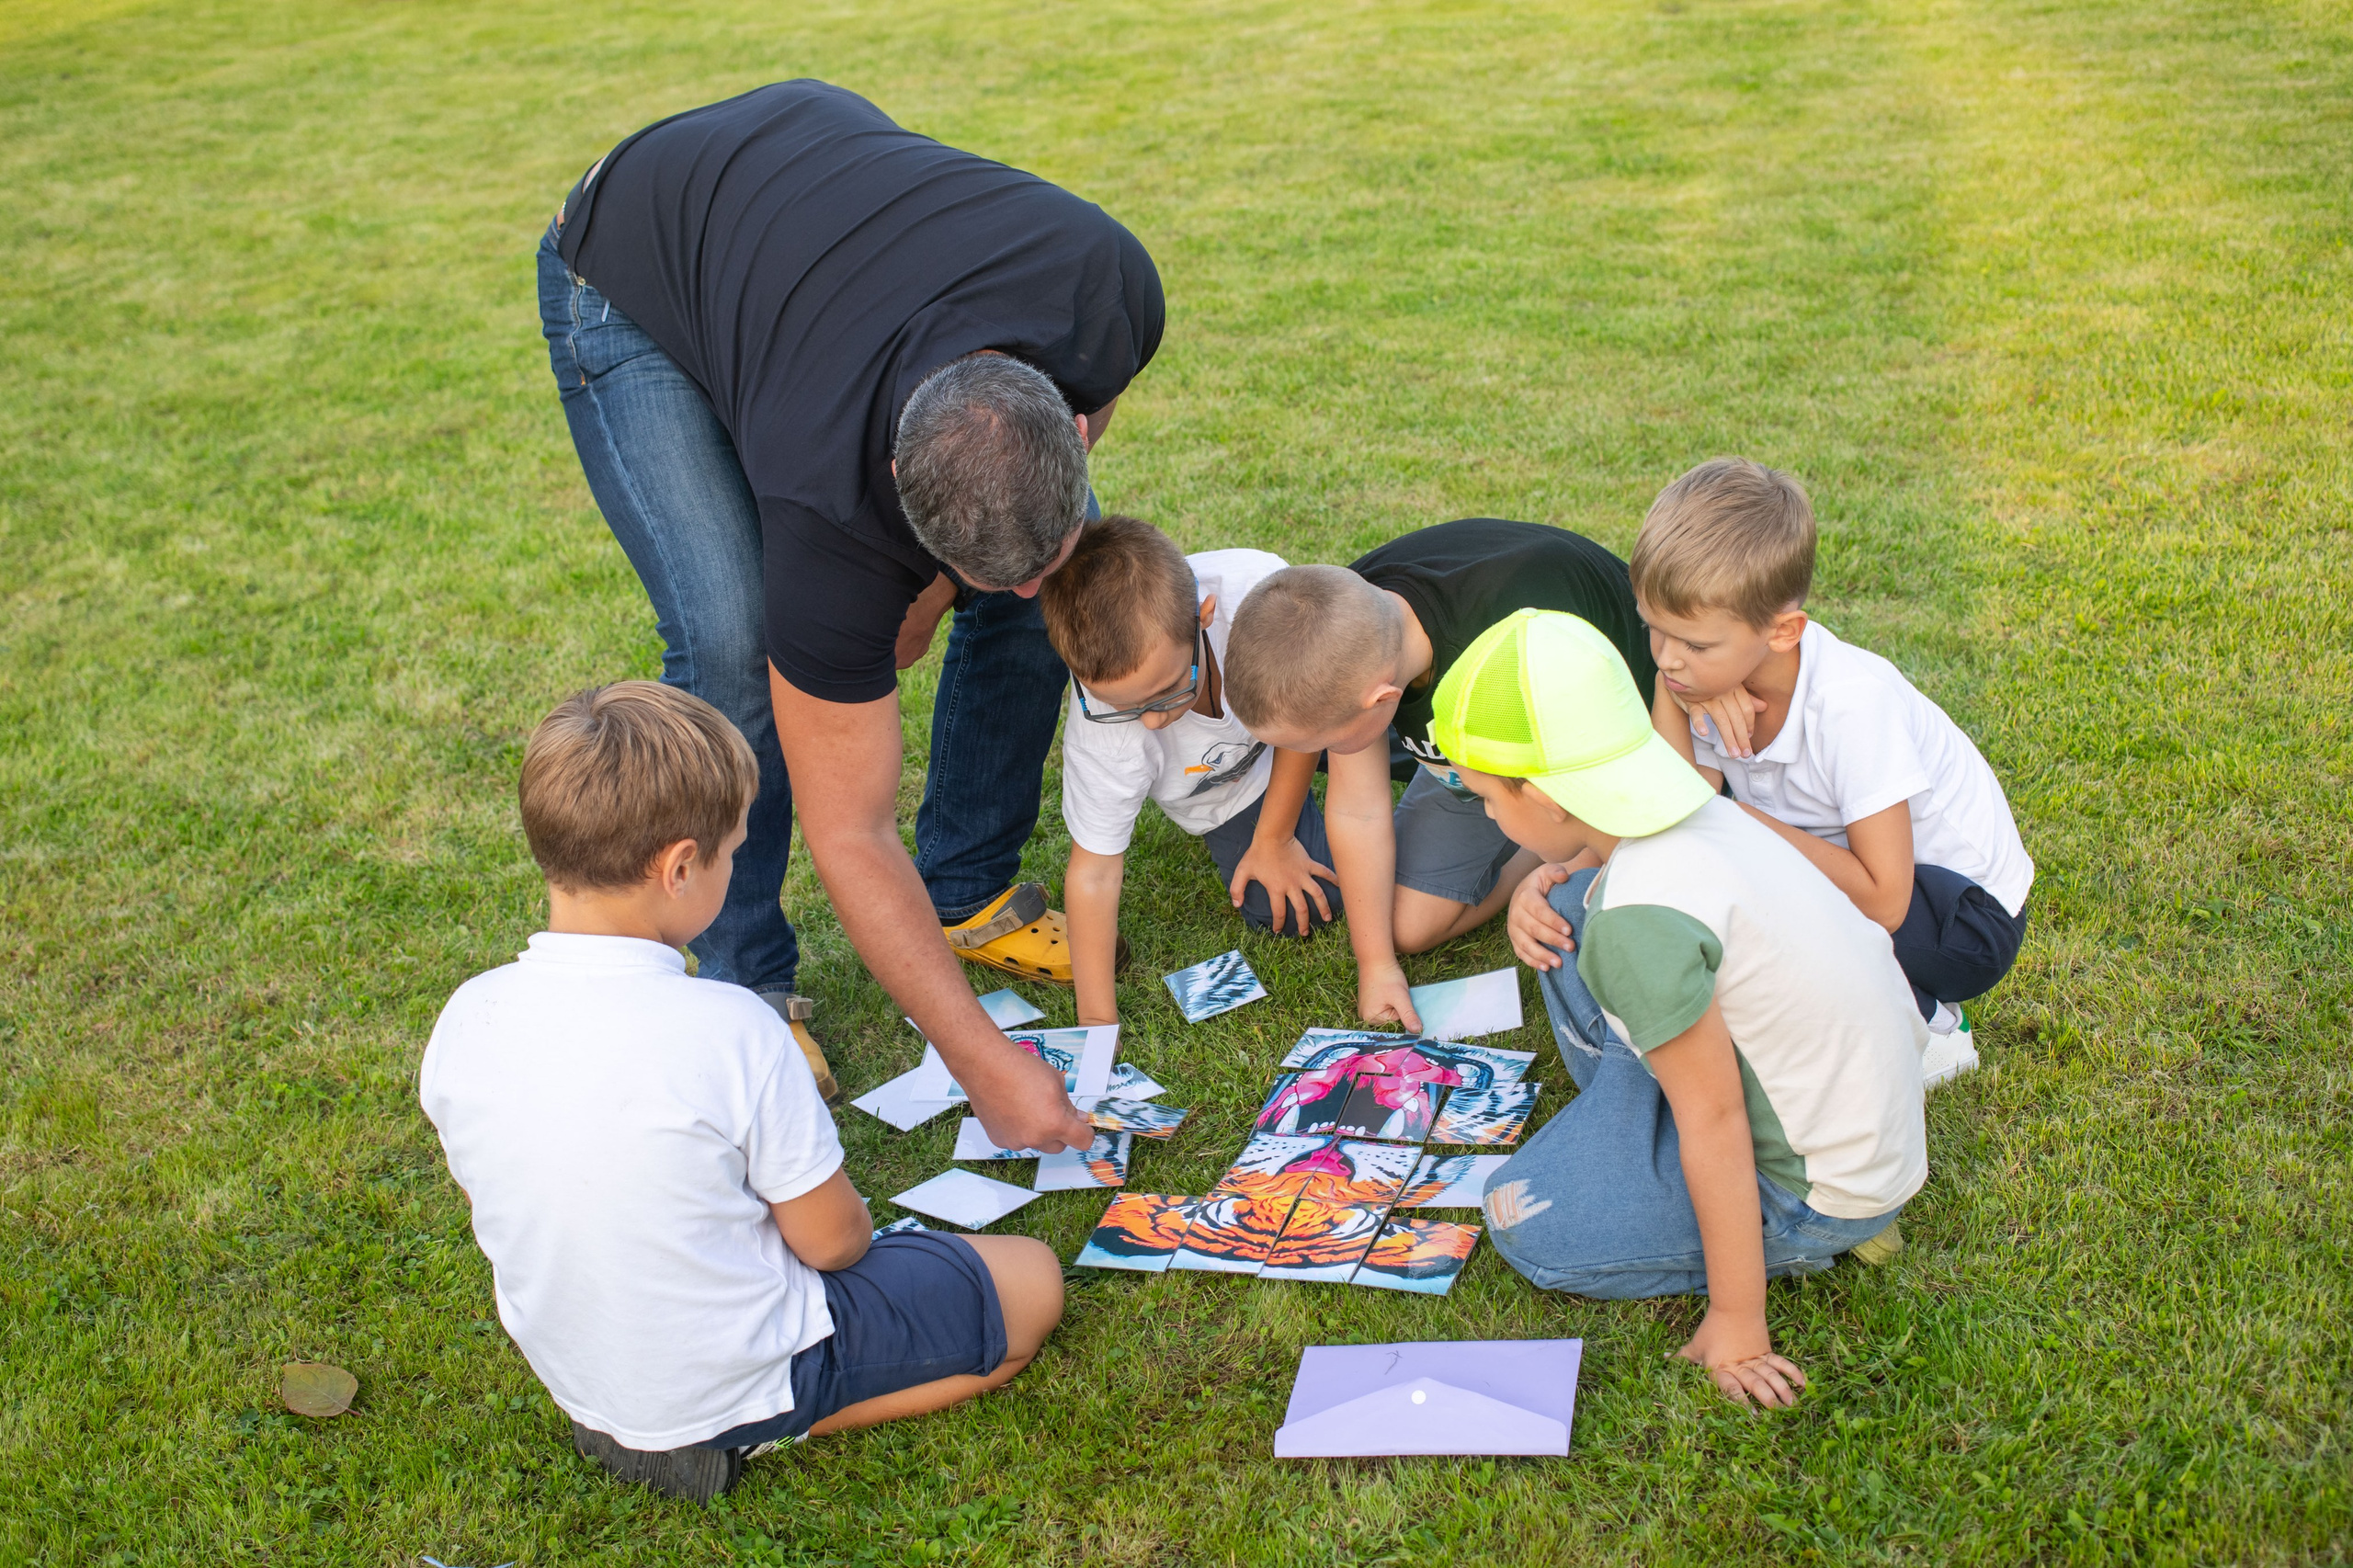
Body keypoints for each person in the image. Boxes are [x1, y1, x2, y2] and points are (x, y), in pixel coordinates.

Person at [539, 79, 1166, 1153]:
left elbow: (1066, 454)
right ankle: (748, 983)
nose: (1019, 586)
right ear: (891, 487)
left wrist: (937, 590)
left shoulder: (1100, 283)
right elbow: (850, 830)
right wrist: (988, 1067)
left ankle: (968, 882)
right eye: (958, 563)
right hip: (640, 254)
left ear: (1055, 414)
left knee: (1046, 588)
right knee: (732, 643)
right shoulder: (822, 508)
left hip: (815, 185)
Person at [419, 683, 1064, 1503]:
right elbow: (835, 1245)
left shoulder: (466, 1014)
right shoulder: (731, 1028)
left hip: (588, 1381)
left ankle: (690, 1424)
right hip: (731, 1373)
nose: (734, 867)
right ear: (681, 867)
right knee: (1033, 1282)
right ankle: (769, 1426)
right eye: (733, 853)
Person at [1427, 612, 1926, 1409]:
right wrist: (1546, 876)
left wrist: (1737, 1318)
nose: (1485, 814)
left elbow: (1719, 1120)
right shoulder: (1689, 808)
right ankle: (1639, 1097)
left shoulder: (1639, 920)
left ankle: (1796, 1238)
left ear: (1546, 794)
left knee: (1522, 1217)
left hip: (1816, 1189)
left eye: (1485, 795)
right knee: (1573, 904)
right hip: (1852, 1108)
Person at [1615, 458, 2032, 1084]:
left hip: (1961, 919)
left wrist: (1732, 822)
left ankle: (1931, 1022)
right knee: (1707, 861)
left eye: (1695, 645)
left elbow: (1887, 901)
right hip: (1867, 877)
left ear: (1783, 632)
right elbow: (1679, 803)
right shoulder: (1705, 679)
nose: (1669, 657)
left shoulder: (1850, 705)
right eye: (1654, 631)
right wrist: (1671, 696)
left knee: (1733, 868)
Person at [1222, 518, 1655, 1031]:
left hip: (1605, 750)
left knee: (1589, 892)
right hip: (1478, 769)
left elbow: (1611, 768)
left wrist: (1573, 862)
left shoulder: (1522, 641)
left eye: (1321, 746)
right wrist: (1376, 965)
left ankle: (1547, 844)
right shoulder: (1346, 635)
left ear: (1382, 701)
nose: (1309, 760)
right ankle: (1531, 841)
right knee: (1403, 927)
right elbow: (1357, 809)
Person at [1037, 517, 1342, 1025]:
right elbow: (1093, 873)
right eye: (1128, 707)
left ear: (1204, 616)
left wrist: (1275, 837)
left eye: (1171, 690)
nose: (1154, 720)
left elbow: (1306, 712)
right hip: (1234, 787)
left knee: (1375, 698)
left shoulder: (1260, 597)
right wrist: (1096, 1021)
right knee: (1293, 907)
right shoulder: (1102, 731)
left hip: (1306, 711)